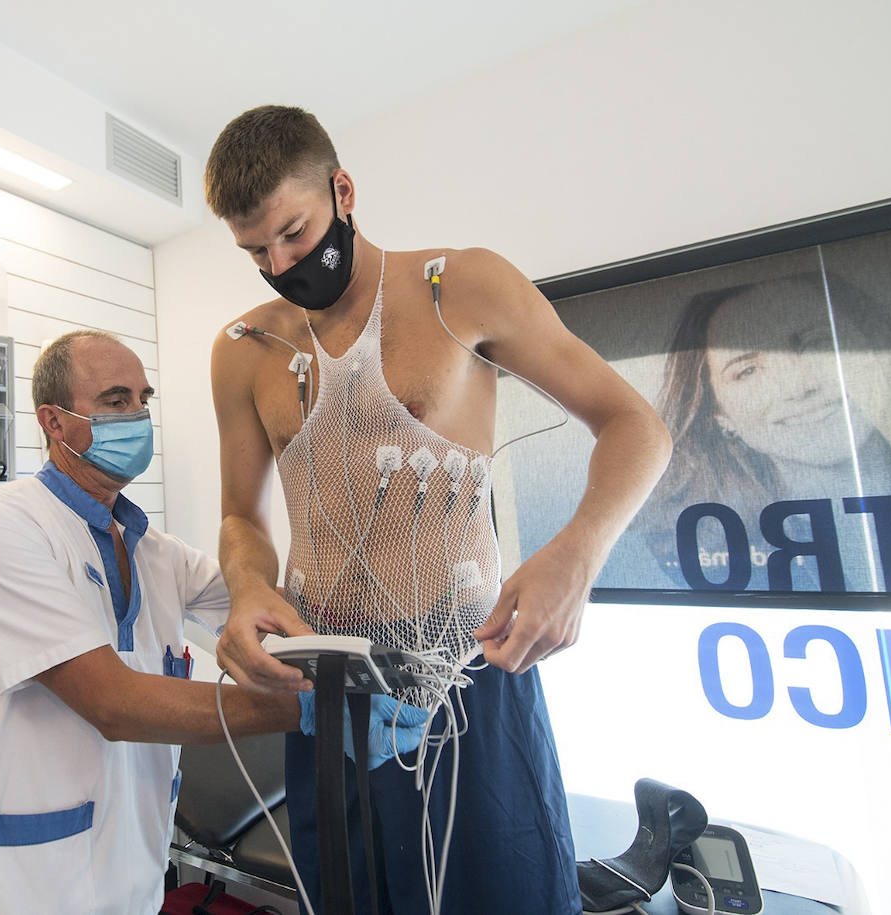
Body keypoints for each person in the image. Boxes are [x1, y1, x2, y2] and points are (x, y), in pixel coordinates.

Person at [205, 105, 673, 914]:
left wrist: (577, 553)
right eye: (256, 252)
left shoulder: (463, 286)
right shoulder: (244, 349)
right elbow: (242, 517)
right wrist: (248, 588)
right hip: (327, 701)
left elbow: (638, 426)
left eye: (294, 233)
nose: (281, 263)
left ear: (343, 190)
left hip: (469, 687)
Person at [0, 330, 322, 914]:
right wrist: (307, 712)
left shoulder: (157, 552)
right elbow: (113, 704)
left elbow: (274, 609)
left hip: (128, 877)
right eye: (116, 402)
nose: (137, 417)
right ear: (54, 421)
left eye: (144, 399)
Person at [640, 271, 891, 592]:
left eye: (817, 343)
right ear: (719, 416)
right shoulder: (702, 555)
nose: (797, 387)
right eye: (747, 371)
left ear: (873, 349)